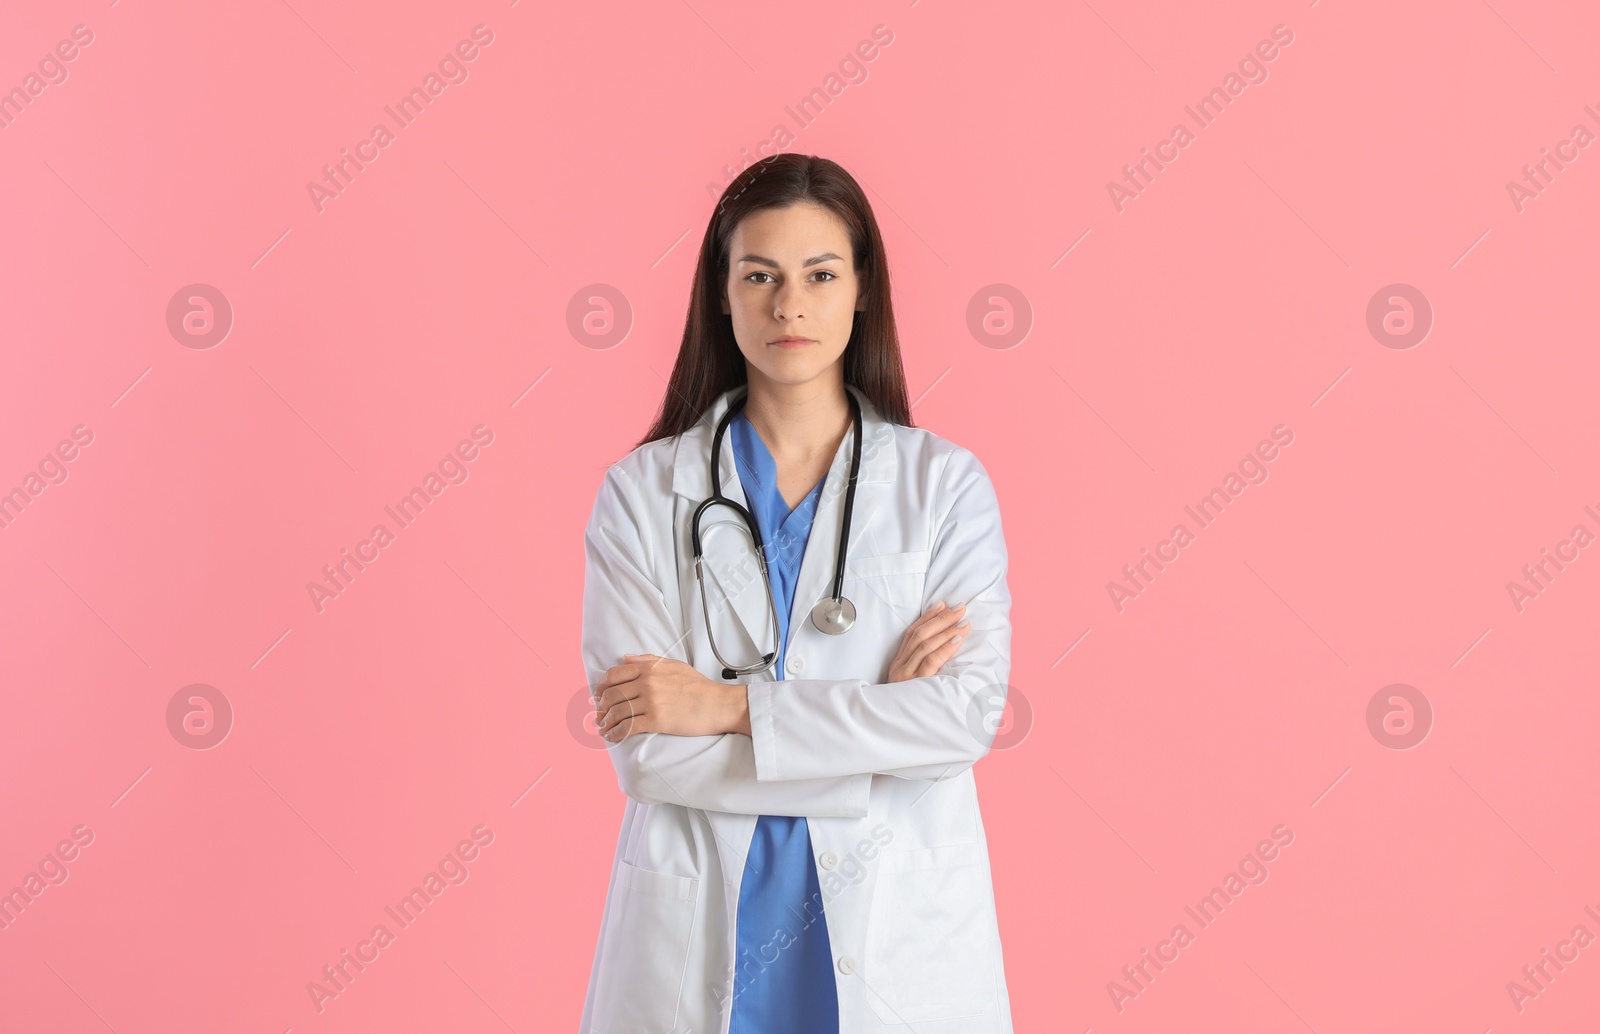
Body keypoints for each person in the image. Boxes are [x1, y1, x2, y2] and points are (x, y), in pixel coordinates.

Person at [578, 153, 1014, 1033]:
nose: (789, 305)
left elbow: (963, 721)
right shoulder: (641, 492)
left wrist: (726, 708)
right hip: (703, 927)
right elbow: (651, 753)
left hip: (898, 934)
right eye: (760, 275)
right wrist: (879, 725)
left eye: (820, 274)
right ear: (722, 293)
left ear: (861, 291)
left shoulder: (945, 488)